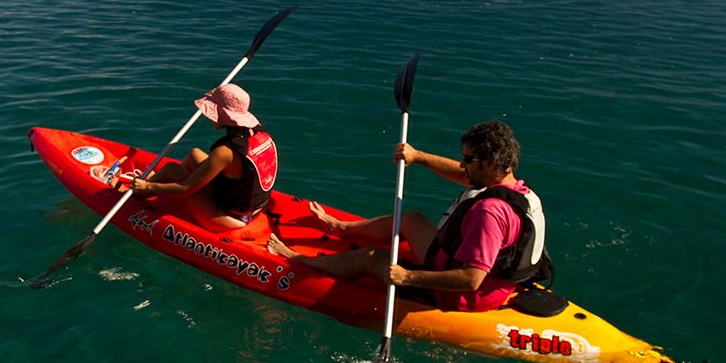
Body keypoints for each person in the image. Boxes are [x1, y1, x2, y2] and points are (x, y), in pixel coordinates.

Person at [267, 120, 550, 312]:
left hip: (465, 295)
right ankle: (340, 227)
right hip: (468, 268)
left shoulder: (489, 212)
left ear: (490, 163)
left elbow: (471, 279)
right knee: (411, 219)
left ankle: (297, 260)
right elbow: (464, 176)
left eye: (468, 159)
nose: (463, 165)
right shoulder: (517, 189)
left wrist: (407, 276)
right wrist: (418, 156)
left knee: (372, 258)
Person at [126, 83, 278, 231]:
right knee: (195, 154)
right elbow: (233, 104)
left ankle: (140, 192)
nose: (210, 117)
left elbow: (185, 189)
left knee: (172, 170)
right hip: (250, 207)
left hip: (227, 217)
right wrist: (218, 96)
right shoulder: (258, 131)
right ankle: (160, 187)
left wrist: (147, 186)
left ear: (225, 115)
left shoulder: (224, 152)